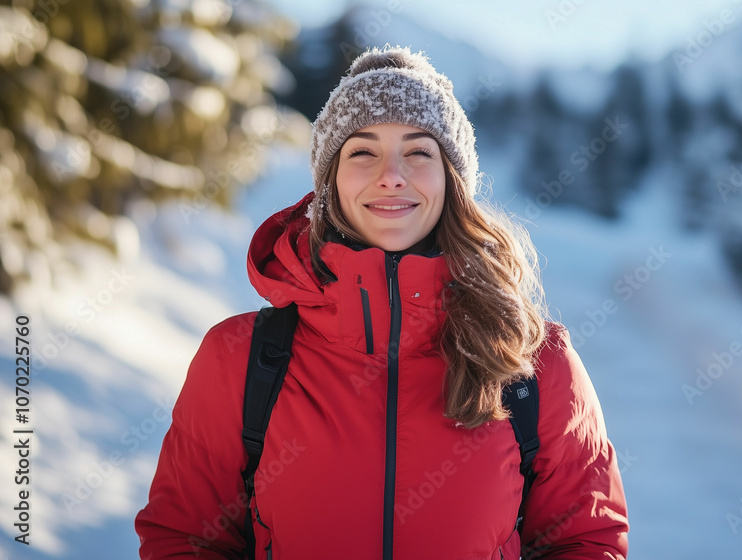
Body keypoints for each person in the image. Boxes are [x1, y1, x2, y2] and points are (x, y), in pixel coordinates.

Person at [135, 45, 628, 559]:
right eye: (362, 151)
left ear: (451, 181)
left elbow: (585, 540)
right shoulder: (240, 358)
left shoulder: (535, 362)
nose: (391, 174)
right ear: (330, 182)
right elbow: (185, 537)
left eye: (419, 151)